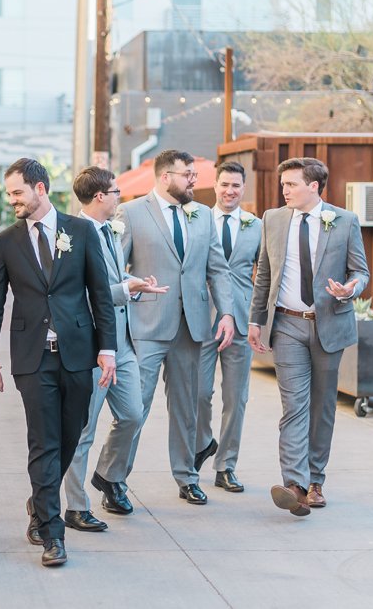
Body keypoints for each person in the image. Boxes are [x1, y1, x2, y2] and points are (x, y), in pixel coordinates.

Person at [0, 158, 117, 568]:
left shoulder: (81, 230)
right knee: (44, 443)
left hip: (78, 354)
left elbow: (101, 296)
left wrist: (106, 348)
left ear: (40, 189)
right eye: (9, 194)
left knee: (70, 438)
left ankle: (38, 502)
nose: (12, 200)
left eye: (17, 192)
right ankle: (52, 535)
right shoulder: (6, 241)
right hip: (32, 358)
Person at [248, 157, 369, 516]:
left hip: (329, 324)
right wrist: (256, 321)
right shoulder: (272, 219)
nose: (284, 190)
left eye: (291, 184)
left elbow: (360, 271)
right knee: (293, 406)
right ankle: (294, 484)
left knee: (322, 406)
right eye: (283, 184)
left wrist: (350, 289)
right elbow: (264, 275)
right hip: (286, 324)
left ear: (313, 186)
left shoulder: (344, 221)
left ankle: (316, 479)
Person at [113, 149, 234, 506]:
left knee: (187, 407)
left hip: (192, 327)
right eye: (187, 175)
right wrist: (136, 290)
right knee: (136, 407)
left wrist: (225, 313)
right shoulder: (131, 213)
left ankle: (187, 476)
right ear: (165, 177)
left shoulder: (201, 216)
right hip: (148, 325)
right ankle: (114, 479)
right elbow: (114, 267)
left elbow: (218, 269)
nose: (194, 181)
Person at [62, 167, 167, 532]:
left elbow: (111, 277)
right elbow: (83, 291)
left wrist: (133, 283)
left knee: (133, 414)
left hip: (123, 341)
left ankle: (107, 474)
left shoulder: (110, 230)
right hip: (90, 345)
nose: (120, 194)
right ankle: (75, 506)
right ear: (99, 197)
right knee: (84, 429)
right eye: (115, 190)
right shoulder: (73, 235)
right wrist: (125, 289)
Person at [195, 161, 262, 494]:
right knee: (198, 393)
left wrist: (258, 320)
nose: (229, 191)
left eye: (236, 185)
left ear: (243, 188)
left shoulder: (256, 226)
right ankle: (203, 442)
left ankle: (226, 465)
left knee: (237, 397)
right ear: (215, 186)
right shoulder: (198, 220)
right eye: (224, 185)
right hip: (202, 320)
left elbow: (264, 278)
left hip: (241, 321)